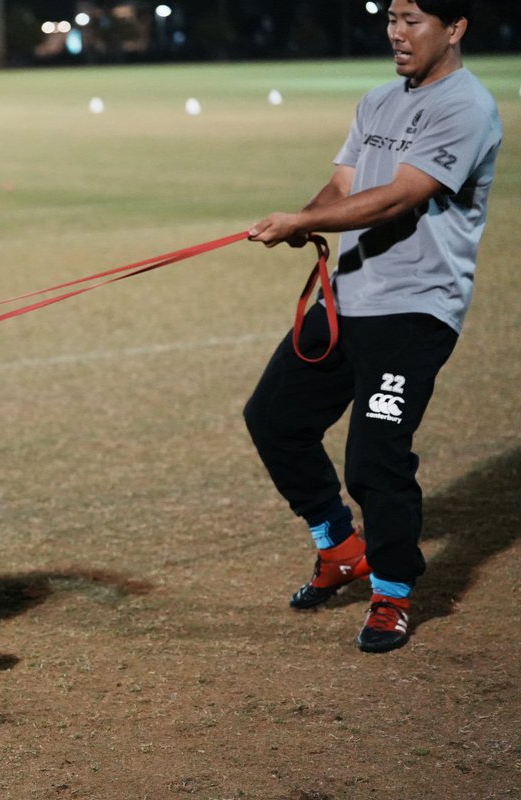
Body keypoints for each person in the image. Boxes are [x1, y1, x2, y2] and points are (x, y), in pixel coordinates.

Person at [245, 0, 501, 653]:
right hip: (349, 295)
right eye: (392, 17)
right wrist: (303, 218)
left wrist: (302, 224)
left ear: (456, 27)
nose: (397, 31)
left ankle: (391, 592)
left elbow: (398, 196)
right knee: (274, 418)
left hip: (415, 308)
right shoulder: (379, 101)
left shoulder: (466, 107)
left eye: (413, 19)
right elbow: (343, 187)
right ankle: (339, 547)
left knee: (376, 460)